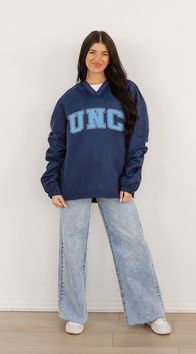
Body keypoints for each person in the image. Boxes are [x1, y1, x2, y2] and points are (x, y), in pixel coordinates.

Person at [40, 30, 172, 335]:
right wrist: (53, 185)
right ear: (84, 56)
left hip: (116, 184)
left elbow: (138, 139)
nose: (98, 59)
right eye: (92, 52)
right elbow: (57, 144)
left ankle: (150, 311)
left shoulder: (127, 91)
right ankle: (74, 312)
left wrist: (130, 179)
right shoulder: (69, 100)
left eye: (104, 53)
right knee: (72, 250)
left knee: (133, 246)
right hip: (73, 184)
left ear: (111, 58)